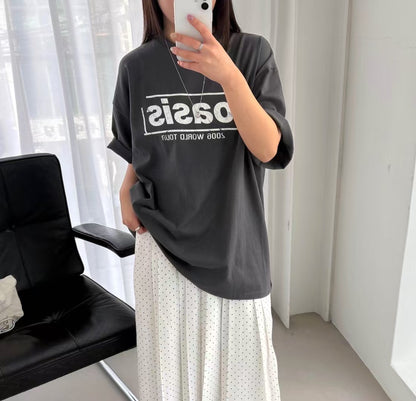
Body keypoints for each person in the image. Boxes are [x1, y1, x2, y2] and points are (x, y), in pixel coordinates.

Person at [107, 0, 294, 399]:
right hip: (161, 248)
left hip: (234, 249)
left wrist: (229, 76)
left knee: (244, 386)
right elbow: (139, 146)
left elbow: (268, 149)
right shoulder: (135, 67)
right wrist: (126, 187)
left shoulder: (251, 53)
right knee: (170, 384)